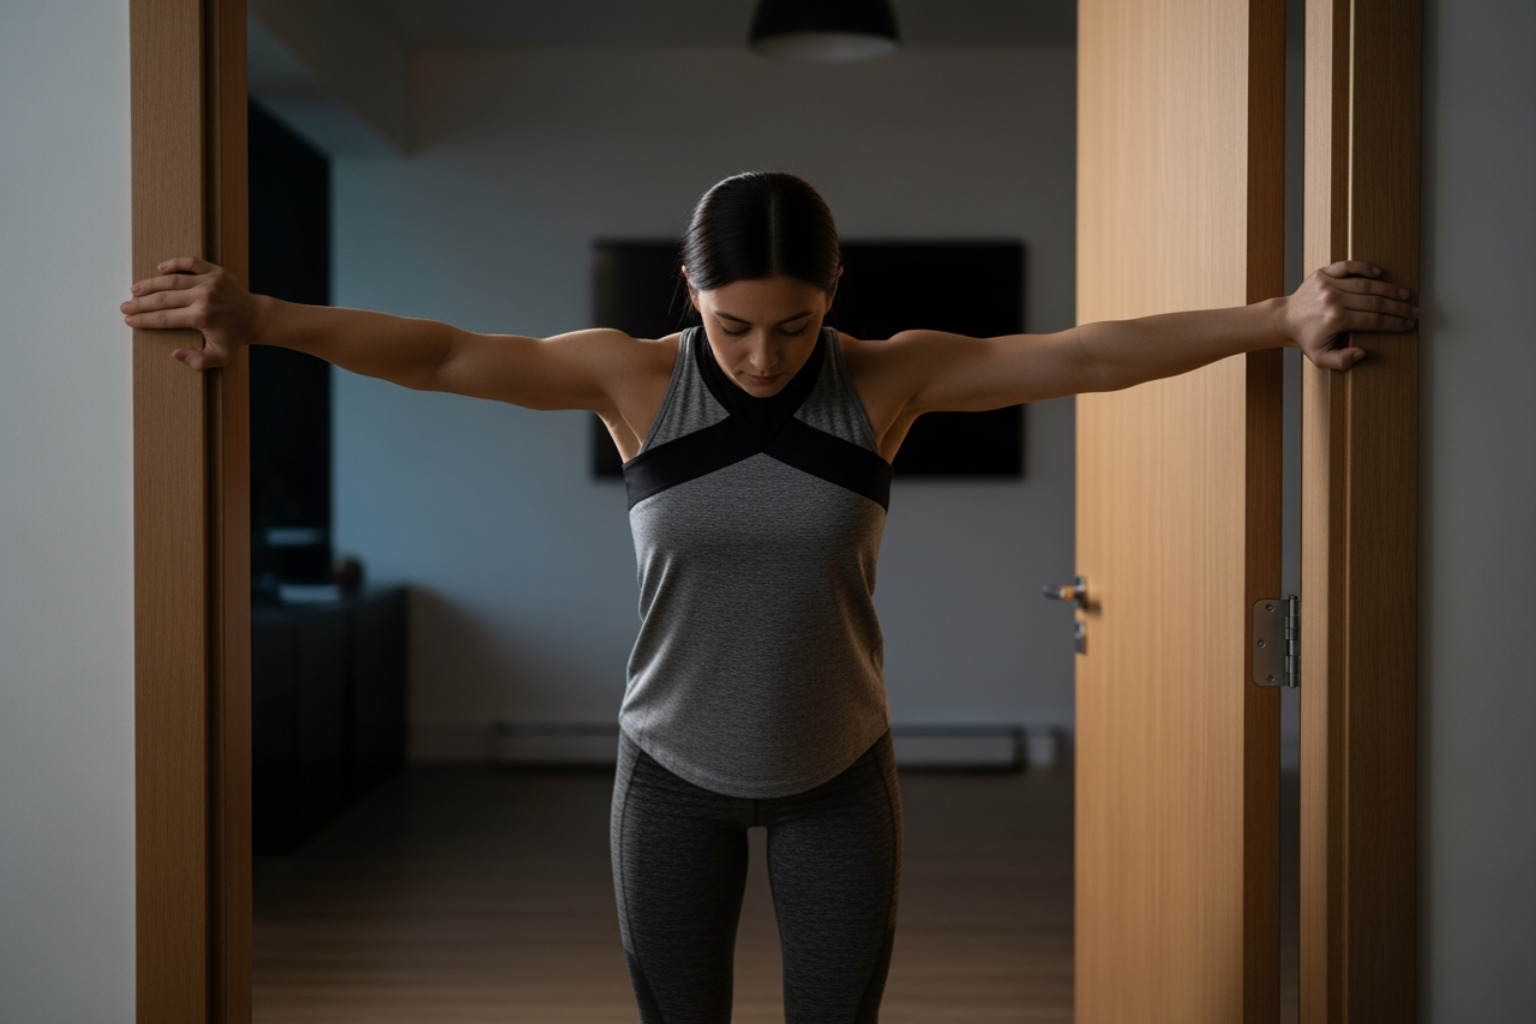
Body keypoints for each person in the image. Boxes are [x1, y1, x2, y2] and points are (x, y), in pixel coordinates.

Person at [121, 171, 1416, 1023]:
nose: (759, 352)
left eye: (791, 325)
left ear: (832, 300)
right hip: (667, 775)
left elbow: (1083, 354)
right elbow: (450, 351)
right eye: (733, 323)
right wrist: (263, 313)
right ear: (688, 297)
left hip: (839, 776)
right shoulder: (632, 379)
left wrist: (1278, 318)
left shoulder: (891, 380)